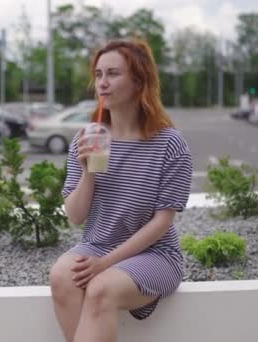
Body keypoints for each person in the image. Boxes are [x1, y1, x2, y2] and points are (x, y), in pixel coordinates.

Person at [49, 38, 193, 342]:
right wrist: (87, 170)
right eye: (99, 74)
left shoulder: (169, 144)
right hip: (97, 245)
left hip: (154, 254)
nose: (102, 82)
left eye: (113, 74)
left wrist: (105, 264)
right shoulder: (85, 139)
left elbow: (162, 222)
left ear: (139, 80)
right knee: (61, 277)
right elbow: (75, 217)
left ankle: (140, 290)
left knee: (101, 288)